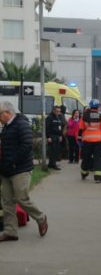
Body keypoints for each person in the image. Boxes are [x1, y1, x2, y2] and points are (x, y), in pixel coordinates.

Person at [0, 101, 48, 241]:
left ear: (7, 113)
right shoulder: (6, 128)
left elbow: (27, 146)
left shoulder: (21, 124)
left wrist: (12, 161)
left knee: (22, 198)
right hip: (6, 170)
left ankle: (41, 218)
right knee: (7, 201)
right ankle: (10, 231)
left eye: (0, 115)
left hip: (20, 169)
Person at [79, 99, 101, 183]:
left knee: (86, 157)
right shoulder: (100, 116)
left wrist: (79, 140)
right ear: (98, 107)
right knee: (98, 158)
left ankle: (84, 173)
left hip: (87, 140)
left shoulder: (85, 115)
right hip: (98, 141)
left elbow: (81, 129)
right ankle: (98, 177)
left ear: (90, 106)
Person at [45, 105, 63, 170]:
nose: (59, 112)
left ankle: (51, 164)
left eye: (59, 111)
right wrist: (48, 137)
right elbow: (47, 128)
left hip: (57, 136)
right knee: (52, 151)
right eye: (57, 111)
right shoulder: (49, 118)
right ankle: (53, 165)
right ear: (54, 111)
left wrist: (60, 136)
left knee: (56, 151)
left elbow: (60, 127)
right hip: (52, 136)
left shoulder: (58, 117)